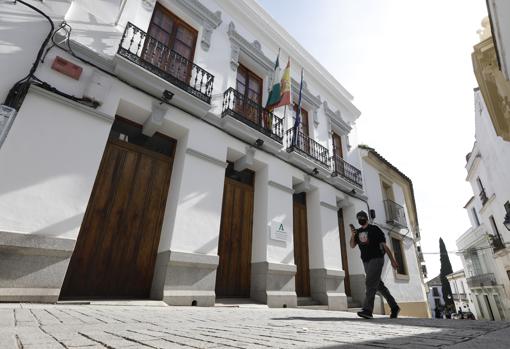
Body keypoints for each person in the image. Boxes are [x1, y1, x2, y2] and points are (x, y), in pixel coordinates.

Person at [350, 210, 400, 319]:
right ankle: (394, 307)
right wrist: (353, 235)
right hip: (366, 261)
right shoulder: (357, 232)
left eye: (362, 217)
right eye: (358, 218)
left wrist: (392, 260)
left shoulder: (375, 229)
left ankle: (368, 310)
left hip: (377, 259)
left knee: (370, 282)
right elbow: (352, 245)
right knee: (378, 285)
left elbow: (384, 245)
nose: (360, 219)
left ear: (366, 218)